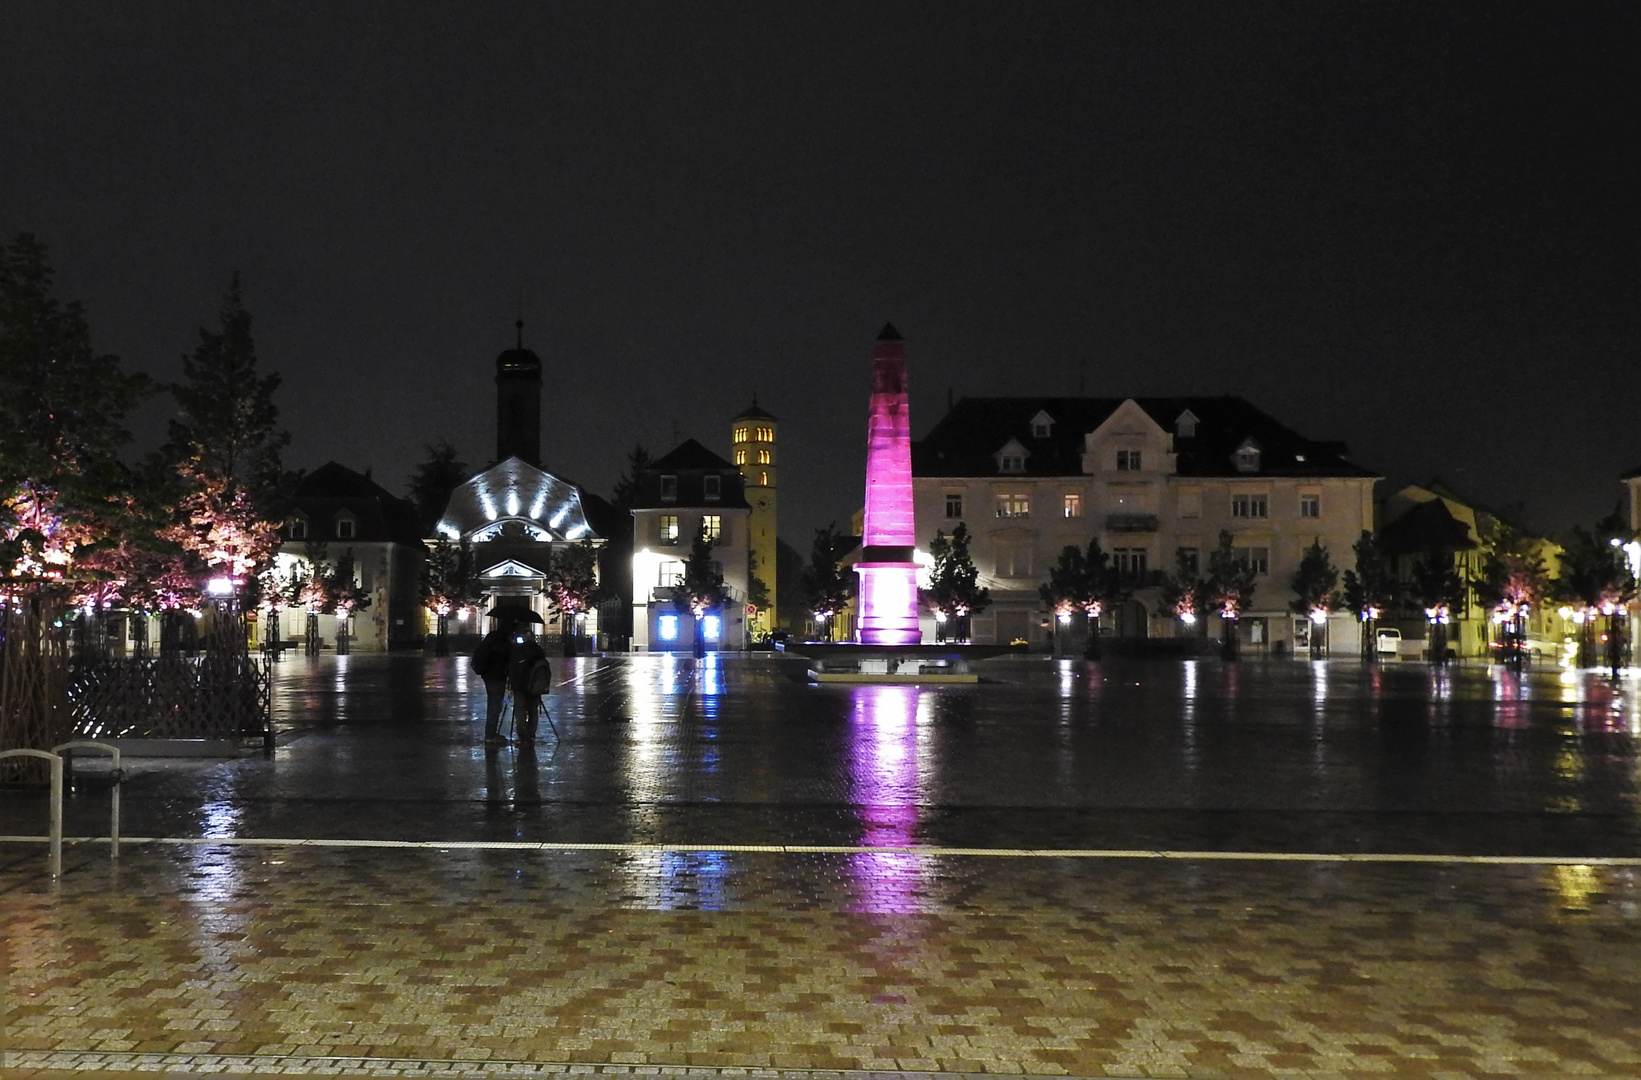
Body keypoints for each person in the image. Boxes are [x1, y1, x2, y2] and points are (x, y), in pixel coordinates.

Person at [471, 618, 516, 744]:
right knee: (495, 705)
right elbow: (507, 659)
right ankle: (490, 734)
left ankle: (491, 732)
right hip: (497, 676)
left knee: (493, 703)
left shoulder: (491, 636)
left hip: (488, 675)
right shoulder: (504, 641)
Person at [507, 629, 549, 742]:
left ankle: (523, 736)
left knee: (520, 711)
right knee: (533, 711)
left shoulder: (518, 650)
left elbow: (513, 668)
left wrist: (511, 683)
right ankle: (531, 734)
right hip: (535, 685)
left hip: (520, 686)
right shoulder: (539, 651)